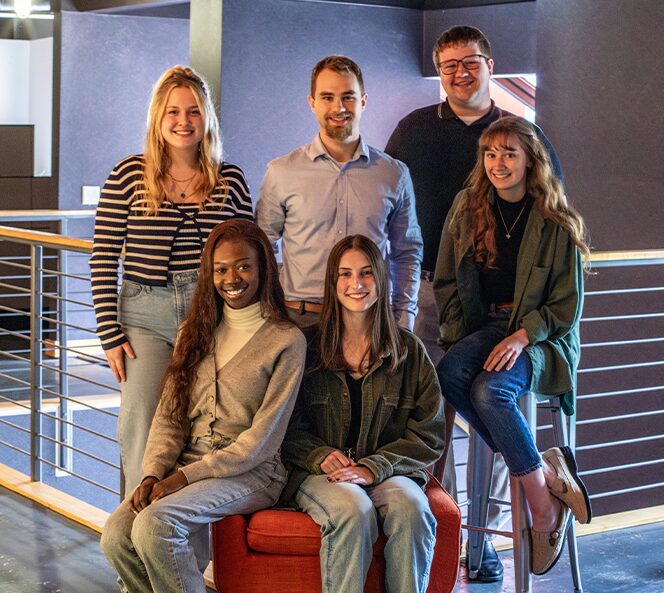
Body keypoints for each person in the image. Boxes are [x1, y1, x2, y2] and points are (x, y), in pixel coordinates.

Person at [385, 25, 562, 580]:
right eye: (450, 64)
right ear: (439, 72)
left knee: (484, 406)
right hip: (431, 298)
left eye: (472, 62)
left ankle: (482, 550)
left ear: (490, 64)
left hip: (498, 311)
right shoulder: (412, 131)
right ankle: (444, 537)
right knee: (432, 418)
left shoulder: (518, 132)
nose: (461, 72)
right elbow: (388, 205)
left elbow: (553, 213)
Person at [100, 219, 307, 593]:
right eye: (221, 269)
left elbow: (263, 439)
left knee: (156, 525)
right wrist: (152, 474)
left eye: (244, 266)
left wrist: (181, 479)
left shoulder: (286, 340)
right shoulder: (192, 332)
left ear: (264, 269)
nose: (232, 278)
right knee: (116, 534)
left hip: (253, 472)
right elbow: (169, 417)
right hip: (187, 462)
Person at [434, 116, 592, 576]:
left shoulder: (556, 221)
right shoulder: (467, 208)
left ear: (530, 161)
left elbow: (566, 308)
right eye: (491, 154)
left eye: (509, 153)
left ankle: (541, 509)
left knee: (490, 391)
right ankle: (543, 469)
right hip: (485, 326)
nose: (498, 163)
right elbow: (446, 279)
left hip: (542, 338)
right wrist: (460, 334)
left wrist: (524, 336)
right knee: (448, 375)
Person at [90, 65, 253, 493]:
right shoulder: (128, 175)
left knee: (204, 428)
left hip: (210, 315)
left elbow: (250, 257)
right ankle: (135, 535)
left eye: (193, 111)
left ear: (207, 119)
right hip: (144, 315)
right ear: (158, 120)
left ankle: (187, 544)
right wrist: (109, 332)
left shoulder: (229, 180)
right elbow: (104, 257)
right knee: (141, 423)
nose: (183, 122)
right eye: (173, 112)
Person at [282, 234, 444, 593]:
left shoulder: (409, 351)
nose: (356, 284)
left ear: (381, 279)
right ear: (332, 282)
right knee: (353, 509)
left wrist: (375, 467)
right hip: (322, 474)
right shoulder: (305, 347)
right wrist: (319, 455)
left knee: (412, 508)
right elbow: (283, 426)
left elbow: (429, 434)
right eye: (345, 274)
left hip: (390, 472)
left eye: (366, 273)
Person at [257, 55, 422, 330]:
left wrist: (404, 318)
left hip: (370, 321)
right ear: (312, 103)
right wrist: (272, 308)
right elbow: (262, 246)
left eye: (348, 97)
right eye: (327, 97)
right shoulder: (281, 172)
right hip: (301, 321)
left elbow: (407, 251)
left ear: (363, 101)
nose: (338, 107)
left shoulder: (394, 174)